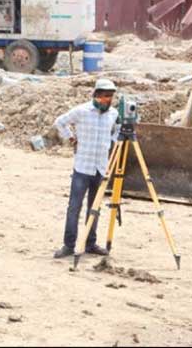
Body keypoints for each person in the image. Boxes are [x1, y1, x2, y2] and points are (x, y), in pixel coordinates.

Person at [52, 78, 120, 259]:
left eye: (111, 97)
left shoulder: (113, 114)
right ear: (96, 95)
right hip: (83, 167)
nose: (108, 100)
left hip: (101, 168)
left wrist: (113, 141)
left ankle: (90, 243)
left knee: (95, 208)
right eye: (106, 96)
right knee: (74, 207)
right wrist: (71, 138)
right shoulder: (81, 111)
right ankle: (69, 245)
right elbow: (60, 122)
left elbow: (118, 129)